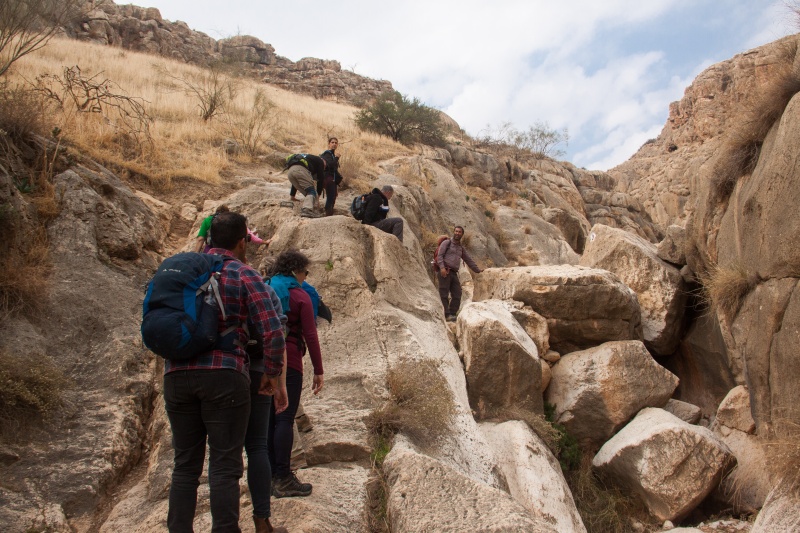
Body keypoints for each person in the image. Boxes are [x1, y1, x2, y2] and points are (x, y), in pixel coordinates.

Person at [163, 211, 288, 533]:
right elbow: (273, 330)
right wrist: (272, 373)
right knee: (224, 465)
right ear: (242, 241)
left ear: (209, 238)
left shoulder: (181, 269)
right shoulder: (243, 273)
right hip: (224, 373)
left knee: (185, 467)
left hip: (176, 374)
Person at [267, 250, 324, 498]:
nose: (305, 276)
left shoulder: (265, 287)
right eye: (305, 272)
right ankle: (282, 476)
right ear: (296, 271)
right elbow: (310, 335)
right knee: (284, 419)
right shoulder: (299, 295)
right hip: (289, 361)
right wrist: (318, 370)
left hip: (260, 361)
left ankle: (267, 476)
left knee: (267, 420)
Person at [244, 286, 289, 533]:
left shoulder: (197, 278)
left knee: (216, 458)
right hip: (253, 369)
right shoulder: (250, 280)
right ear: (243, 243)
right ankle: (262, 523)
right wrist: (275, 377)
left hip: (188, 372)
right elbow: (275, 331)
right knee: (256, 446)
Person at [436, 225, 483, 322]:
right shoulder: (446, 243)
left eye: (459, 232)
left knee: (457, 293)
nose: (457, 233)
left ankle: (453, 314)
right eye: (456, 231)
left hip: (453, 273)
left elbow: (468, 260)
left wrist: (478, 270)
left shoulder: (461, 248)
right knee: (444, 293)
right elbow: (439, 256)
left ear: (462, 234)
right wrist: (442, 268)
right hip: (445, 271)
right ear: (454, 232)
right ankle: (446, 315)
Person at [195, 205, 270, 252]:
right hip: (228, 252)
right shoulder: (232, 220)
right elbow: (251, 236)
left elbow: (200, 239)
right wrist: (265, 242)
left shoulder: (207, 220)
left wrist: (195, 255)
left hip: (210, 250)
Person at [287, 154, 326, 218]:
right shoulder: (320, 161)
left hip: (290, 172)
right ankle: (307, 210)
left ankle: (310, 210)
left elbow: (296, 182)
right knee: (311, 191)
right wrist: (318, 196)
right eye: (325, 167)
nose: (324, 168)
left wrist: (292, 196)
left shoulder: (307, 159)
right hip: (300, 170)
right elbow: (320, 179)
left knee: (308, 193)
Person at [319, 137, 345, 216]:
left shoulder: (332, 154)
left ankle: (329, 213)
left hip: (331, 179)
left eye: (336, 143)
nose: (334, 144)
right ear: (329, 144)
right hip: (328, 177)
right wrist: (337, 158)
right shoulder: (327, 153)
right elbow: (330, 165)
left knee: (333, 196)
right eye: (332, 142)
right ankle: (328, 214)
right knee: (331, 196)